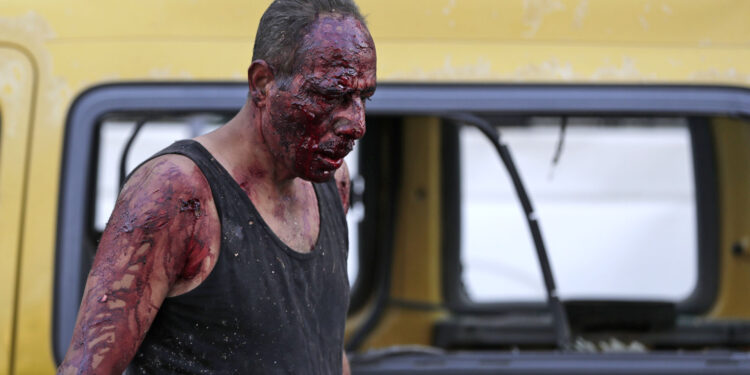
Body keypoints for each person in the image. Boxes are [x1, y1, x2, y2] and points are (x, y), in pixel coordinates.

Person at [57, 0, 376, 373]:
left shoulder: (332, 182)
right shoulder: (177, 194)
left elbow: (327, 350)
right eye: (330, 96)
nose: (357, 123)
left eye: (363, 98)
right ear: (262, 83)